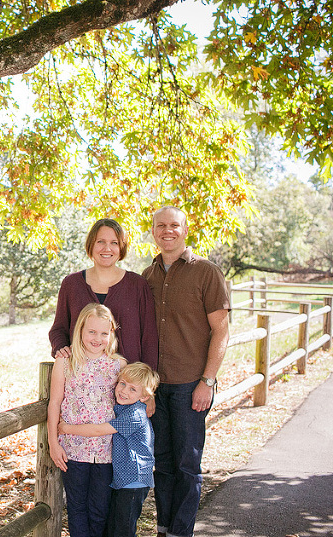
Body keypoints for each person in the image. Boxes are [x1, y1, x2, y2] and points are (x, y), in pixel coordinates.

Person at [142, 206, 230, 537]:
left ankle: (181, 532)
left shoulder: (207, 272)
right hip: (156, 387)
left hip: (191, 385)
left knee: (187, 466)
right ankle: (164, 529)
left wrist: (207, 381)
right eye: (161, 225)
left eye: (174, 225)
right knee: (161, 465)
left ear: (185, 229)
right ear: (153, 231)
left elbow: (222, 331)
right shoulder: (146, 276)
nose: (168, 231)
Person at [48, 303, 127, 537]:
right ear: (80, 330)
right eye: (91, 331)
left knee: (100, 509)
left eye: (104, 333)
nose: (97, 338)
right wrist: (53, 442)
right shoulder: (65, 361)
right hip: (72, 448)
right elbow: (55, 403)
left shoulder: (118, 364)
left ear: (111, 333)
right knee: (77, 508)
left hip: (106, 450)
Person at [58, 361, 160, 537]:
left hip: (134, 481)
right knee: (114, 528)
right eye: (123, 384)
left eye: (132, 389)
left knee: (123, 530)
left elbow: (98, 430)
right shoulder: (124, 408)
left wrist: (67, 428)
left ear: (144, 397)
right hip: (123, 480)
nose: (124, 391)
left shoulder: (135, 415)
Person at [49, 218, 158, 371]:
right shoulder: (71, 284)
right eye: (101, 241)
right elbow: (58, 329)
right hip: (82, 382)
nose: (107, 248)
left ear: (121, 248)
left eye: (114, 243)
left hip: (128, 384)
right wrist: (60, 347)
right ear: (91, 245)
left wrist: (147, 382)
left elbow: (149, 339)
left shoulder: (138, 285)